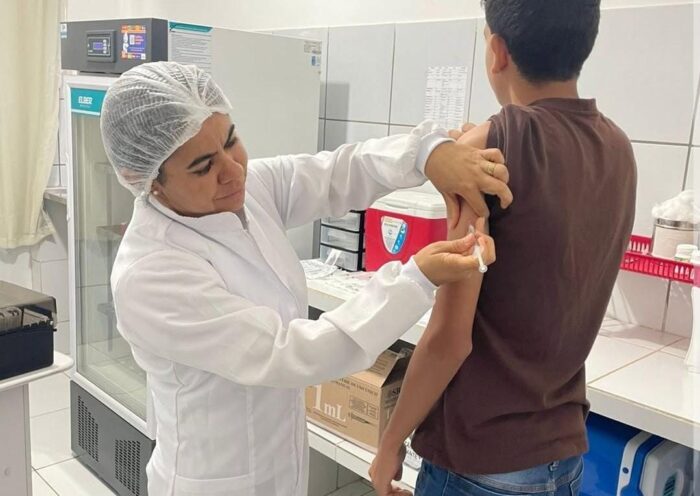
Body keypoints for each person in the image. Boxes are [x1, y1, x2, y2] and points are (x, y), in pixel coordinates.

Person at [101, 61, 512, 496]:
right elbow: (288, 353)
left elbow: (336, 173)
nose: (233, 170)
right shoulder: (151, 274)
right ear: (147, 181)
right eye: (203, 167)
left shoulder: (244, 189)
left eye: (231, 140)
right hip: (214, 481)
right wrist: (416, 279)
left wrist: (428, 153)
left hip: (279, 466)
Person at [369, 1, 637, 495]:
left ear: (496, 51)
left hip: (479, 462)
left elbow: (450, 339)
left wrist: (390, 442)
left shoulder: (489, 148)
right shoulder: (618, 147)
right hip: (563, 456)